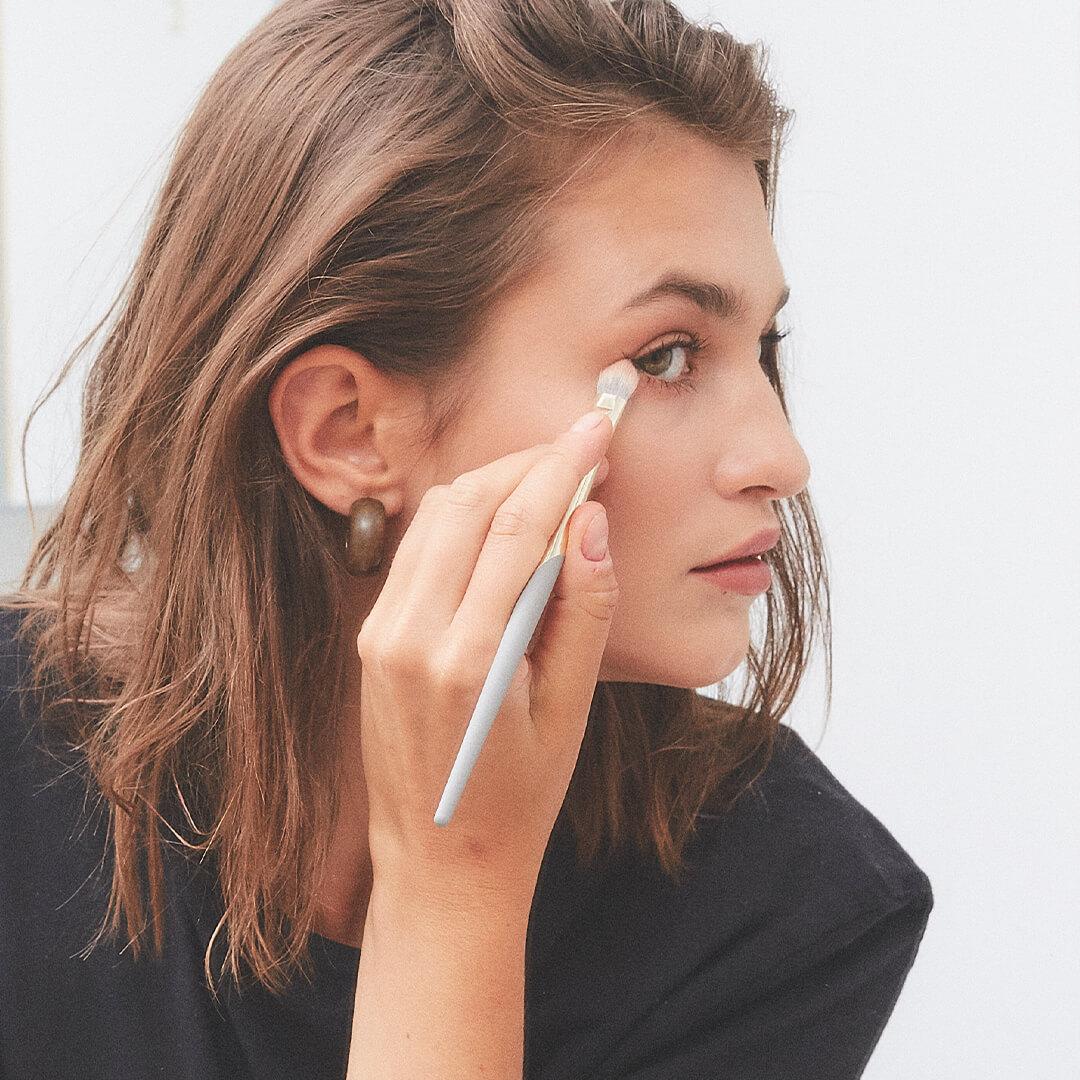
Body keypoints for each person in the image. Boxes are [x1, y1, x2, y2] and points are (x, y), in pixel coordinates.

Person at [0, 1, 933, 1077]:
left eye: (761, 346)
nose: (780, 455)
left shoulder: (788, 900)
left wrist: (455, 889)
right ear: (347, 431)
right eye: (671, 355)